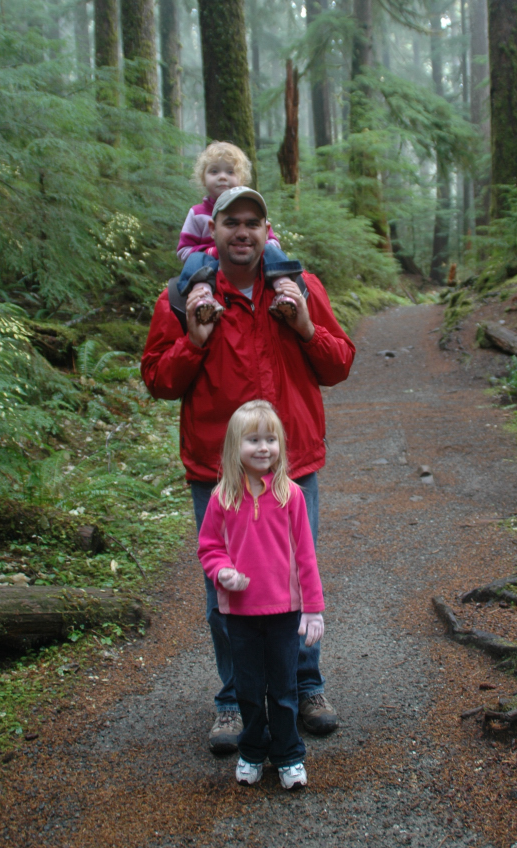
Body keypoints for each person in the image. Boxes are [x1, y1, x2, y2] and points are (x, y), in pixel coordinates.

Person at [141, 186, 355, 753]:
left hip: (292, 465)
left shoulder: (299, 287)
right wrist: (193, 342)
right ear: (211, 232)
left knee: (296, 576)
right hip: (219, 472)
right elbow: (158, 380)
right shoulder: (184, 296)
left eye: (252, 222)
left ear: (266, 231)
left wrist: (305, 325)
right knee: (225, 585)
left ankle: (305, 687)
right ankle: (233, 699)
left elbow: (339, 365)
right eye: (231, 222)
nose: (242, 232)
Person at [198, 400, 324, 789]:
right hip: (239, 614)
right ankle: (252, 751)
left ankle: (289, 755)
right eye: (253, 440)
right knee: (249, 689)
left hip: (284, 612)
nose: (263, 447)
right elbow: (209, 547)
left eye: (271, 439)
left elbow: (306, 556)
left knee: (284, 688)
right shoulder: (222, 497)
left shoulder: (291, 495)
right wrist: (222, 571)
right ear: (234, 446)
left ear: (280, 445)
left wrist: (313, 609)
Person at [176, 141, 304, 322]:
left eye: (230, 172)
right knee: (196, 259)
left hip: (250, 265)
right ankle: (202, 297)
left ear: (241, 178)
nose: (222, 177)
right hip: (207, 268)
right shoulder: (197, 213)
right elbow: (183, 250)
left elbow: (273, 242)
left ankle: (283, 287)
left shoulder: (252, 209)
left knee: (270, 248)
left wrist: (256, 248)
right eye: (214, 171)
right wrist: (211, 252)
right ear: (203, 178)